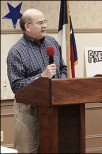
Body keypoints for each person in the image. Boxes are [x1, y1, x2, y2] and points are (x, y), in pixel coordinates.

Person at [7, 8, 67, 153]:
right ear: (27, 27)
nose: (45, 25)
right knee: (28, 150)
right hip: (29, 111)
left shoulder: (52, 42)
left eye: (44, 21)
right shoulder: (16, 52)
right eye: (40, 23)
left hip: (55, 108)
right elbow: (17, 86)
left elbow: (63, 69)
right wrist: (41, 77)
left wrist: (61, 84)